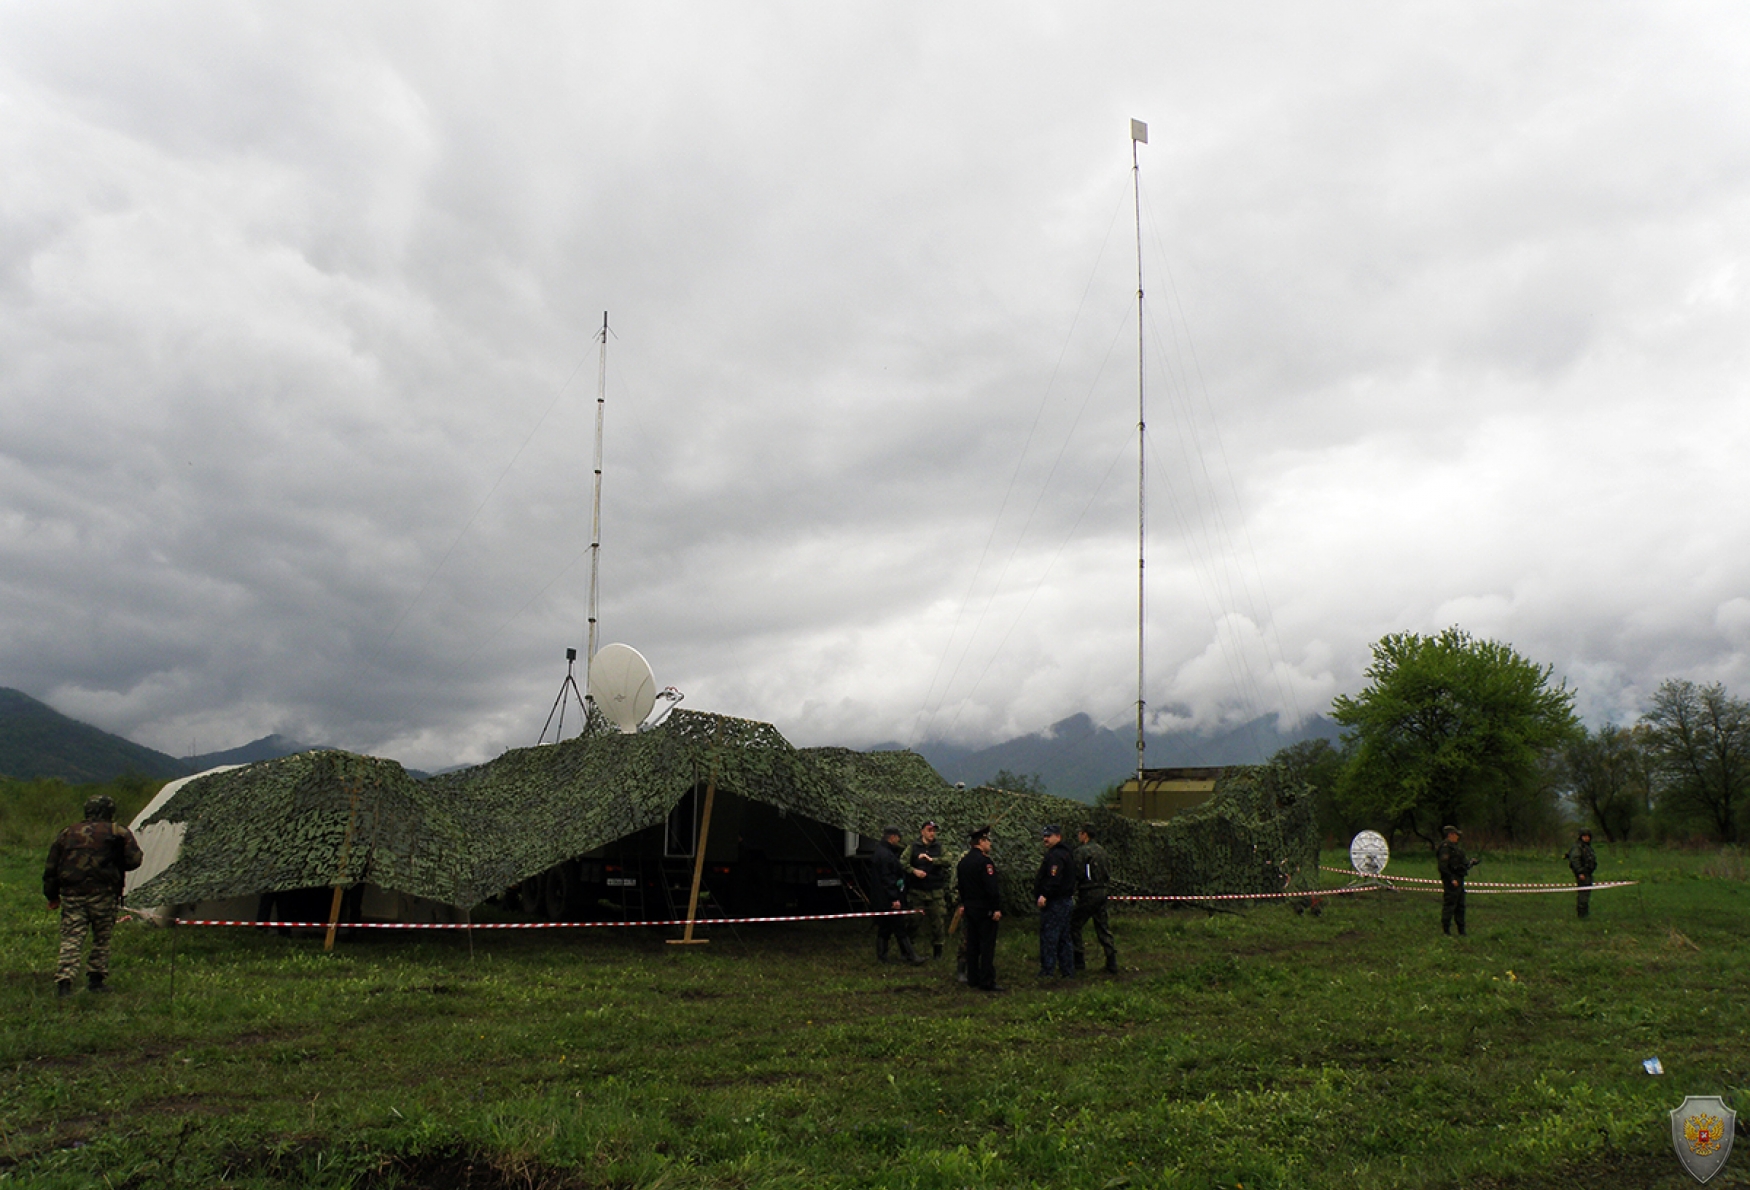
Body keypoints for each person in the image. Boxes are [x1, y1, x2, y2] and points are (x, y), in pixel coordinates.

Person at [43, 794, 143, 997]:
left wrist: (52, 896)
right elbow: (134, 861)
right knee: (102, 938)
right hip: (104, 894)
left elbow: (51, 867)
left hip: (73, 894)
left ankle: (65, 982)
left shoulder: (68, 833)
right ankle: (96, 980)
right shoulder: (118, 832)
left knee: (72, 937)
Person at [956, 825, 1004, 992]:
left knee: (972, 945)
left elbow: (960, 887)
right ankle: (987, 980)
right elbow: (991, 888)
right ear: (981, 841)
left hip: (970, 907)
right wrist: (996, 908)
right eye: (988, 841)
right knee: (986, 946)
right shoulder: (985, 863)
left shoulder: (963, 863)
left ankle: (973, 977)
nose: (990, 844)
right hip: (985, 909)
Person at [871, 826, 925, 965]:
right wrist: (894, 898)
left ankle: (882, 956)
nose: (898, 840)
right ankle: (910, 955)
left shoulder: (881, 852)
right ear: (892, 837)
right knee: (898, 926)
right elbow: (888, 878)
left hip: (882, 897)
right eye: (898, 838)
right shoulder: (886, 855)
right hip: (888, 898)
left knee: (885, 927)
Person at [1071, 824, 1118, 975]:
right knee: (1102, 926)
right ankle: (1111, 961)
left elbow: (1077, 874)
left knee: (1074, 924)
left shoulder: (1081, 852)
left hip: (1088, 892)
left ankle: (1078, 960)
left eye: (1080, 833)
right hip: (1102, 891)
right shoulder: (1102, 851)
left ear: (1085, 835)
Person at [1033, 824, 1077, 979]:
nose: (1045, 839)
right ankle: (1067, 970)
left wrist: (1044, 894)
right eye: (1044, 836)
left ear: (1058, 837)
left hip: (1056, 901)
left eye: (1049, 836)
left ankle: (1047, 970)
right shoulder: (1066, 853)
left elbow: (1054, 878)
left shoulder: (1056, 856)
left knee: (1050, 936)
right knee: (1064, 937)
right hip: (1065, 901)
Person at [904, 820, 949, 959]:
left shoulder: (939, 847)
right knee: (914, 921)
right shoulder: (913, 847)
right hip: (917, 891)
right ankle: (908, 949)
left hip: (935, 891)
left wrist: (932, 860)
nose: (932, 833)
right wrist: (914, 871)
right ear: (922, 831)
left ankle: (938, 951)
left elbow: (948, 860)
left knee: (938, 921)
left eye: (934, 830)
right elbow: (902, 863)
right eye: (929, 830)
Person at [1435, 825, 1479, 937]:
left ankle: (1461, 930)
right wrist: (1451, 879)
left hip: (1459, 879)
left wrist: (1470, 863)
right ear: (1450, 835)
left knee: (1460, 905)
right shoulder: (1446, 848)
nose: (1458, 837)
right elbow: (1443, 867)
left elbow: (1461, 865)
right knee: (1450, 904)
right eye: (1456, 835)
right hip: (1451, 881)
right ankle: (1446, 930)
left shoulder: (1455, 849)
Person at [1565, 828, 1597, 919]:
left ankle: (1585, 913)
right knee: (1583, 894)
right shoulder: (1578, 847)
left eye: (1588, 836)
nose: (1587, 838)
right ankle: (1582, 915)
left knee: (1586, 894)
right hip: (1583, 873)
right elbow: (1575, 860)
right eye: (1584, 836)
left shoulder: (1587, 847)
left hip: (1588, 873)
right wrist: (1580, 872)